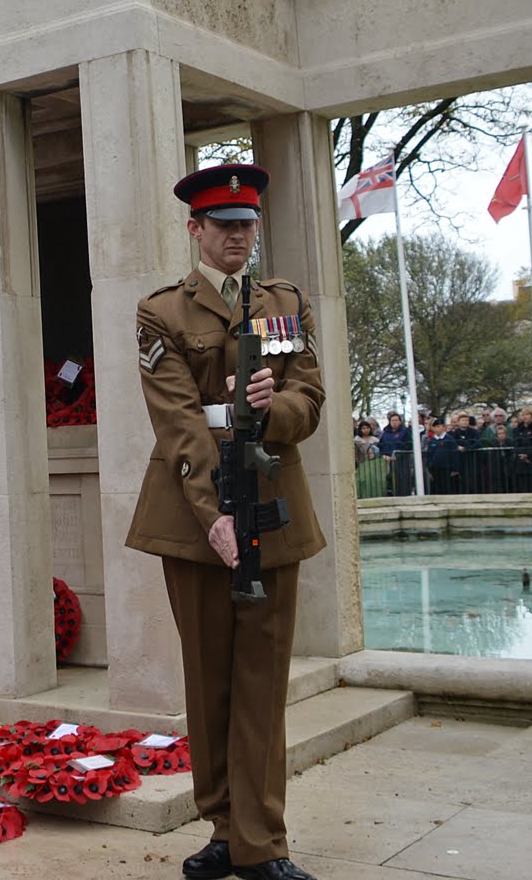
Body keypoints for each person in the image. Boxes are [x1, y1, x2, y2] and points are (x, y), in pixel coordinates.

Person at [126, 162, 324, 880]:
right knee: (208, 680)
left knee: (262, 680)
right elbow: (178, 422)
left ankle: (261, 841)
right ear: (196, 231)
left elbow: (311, 394)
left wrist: (277, 406)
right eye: (225, 227)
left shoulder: (279, 306)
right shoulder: (163, 313)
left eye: (247, 226)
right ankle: (220, 827)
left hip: (271, 507)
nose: (239, 238)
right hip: (194, 515)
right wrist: (215, 515)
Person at [511, 405, 532, 492]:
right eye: (523, 415)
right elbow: (516, 443)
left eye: (527, 414)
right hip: (520, 462)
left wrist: (528, 455)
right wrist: (521, 455)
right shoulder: (517, 430)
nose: (525, 417)